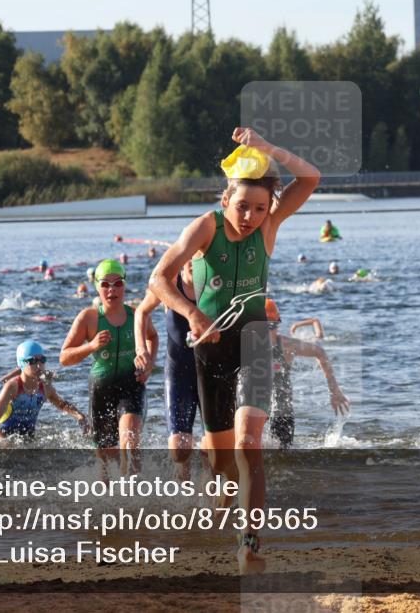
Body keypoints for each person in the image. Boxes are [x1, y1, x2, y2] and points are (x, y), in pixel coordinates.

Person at [150, 127, 320, 574]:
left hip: (254, 342)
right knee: (221, 460)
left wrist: (267, 149)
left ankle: (249, 543)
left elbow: (310, 178)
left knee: (249, 446)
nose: (249, 216)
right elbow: (158, 280)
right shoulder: (204, 227)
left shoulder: (269, 225)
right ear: (226, 199)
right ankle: (222, 496)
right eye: (242, 205)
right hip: (210, 349)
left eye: (259, 208)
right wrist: (191, 313)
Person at [61, 259, 157, 475]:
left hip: (132, 384)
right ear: (97, 287)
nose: (112, 289)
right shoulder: (89, 317)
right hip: (101, 388)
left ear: (125, 285)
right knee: (105, 460)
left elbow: (153, 336)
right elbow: (64, 357)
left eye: (118, 283)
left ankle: (134, 496)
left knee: (130, 440)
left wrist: (149, 362)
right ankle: (107, 501)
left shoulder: (136, 315)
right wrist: (91, 345)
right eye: (105, 284)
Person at [134, 261, 202, 481]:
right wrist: (141, 349)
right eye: (187, 257)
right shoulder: (170, 286)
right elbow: (141, 312)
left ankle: (213, 494)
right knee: (179, 450)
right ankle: (183, 489)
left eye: (197, 257)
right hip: (178, 370)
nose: (191, 262)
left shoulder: (213, 286)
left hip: (210, 373)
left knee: (218, 446)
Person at [264, 299, 350, 450]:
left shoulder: (286, 345)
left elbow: (320, 352)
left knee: (279, 456)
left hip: (281, 412)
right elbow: (320, 352)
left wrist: (334, 390)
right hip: (260, 410)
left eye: (271, 327)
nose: (270, 331)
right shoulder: (247, 345)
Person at [0, 340, 88, 445]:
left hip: (29, 439)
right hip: (6, 438)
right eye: (33, 361)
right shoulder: (13, 387)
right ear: (21, 363)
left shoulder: (45, 387)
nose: (39, 365)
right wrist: (5, 442)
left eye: (42, 360)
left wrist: (80, 416)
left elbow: (62, 404)